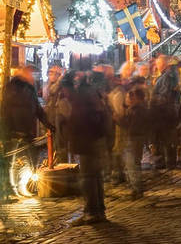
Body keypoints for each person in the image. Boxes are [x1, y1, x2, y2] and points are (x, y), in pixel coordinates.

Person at [65, 72, 110, 226]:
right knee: (95, 177)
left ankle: (91, 212)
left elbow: (80, 118)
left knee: (89, 178)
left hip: (87, 140)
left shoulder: (83, 95)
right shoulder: (92, 93)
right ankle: (98, 210)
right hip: (95, 138)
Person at [1, 66, 54, 197]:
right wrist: (6, 131)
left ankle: (24, 185)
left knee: (30, 159)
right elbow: (6, 110)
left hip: (27, 130)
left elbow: (37, 108)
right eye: (32, 75)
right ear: (24, 75)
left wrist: (48, 125)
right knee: (13, 161)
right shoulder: (12, 87)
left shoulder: (30, 89)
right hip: (14, 130)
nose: (33, 78)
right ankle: (10, 188)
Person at [117, 79, 150, 199]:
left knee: (132, 164)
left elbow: (131, 127)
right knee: (133, 164)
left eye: (128, 97)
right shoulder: (138, 109)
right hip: (136, 139)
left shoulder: (137, 110)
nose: (126, 99)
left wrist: (118, 119)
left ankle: (136, 190)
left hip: (134, 140)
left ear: (135, 98)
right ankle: (136, 188)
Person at [149, 56, 181, 171]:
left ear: (163, 64)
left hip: (165, 111)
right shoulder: (167, 74)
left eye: (158, 64)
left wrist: (152, 99)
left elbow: (165, 94)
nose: (156, 66)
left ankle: (168, 162)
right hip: (166, 111)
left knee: (166, 137)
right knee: (165, 137)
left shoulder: (168, 76)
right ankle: (167, 161)